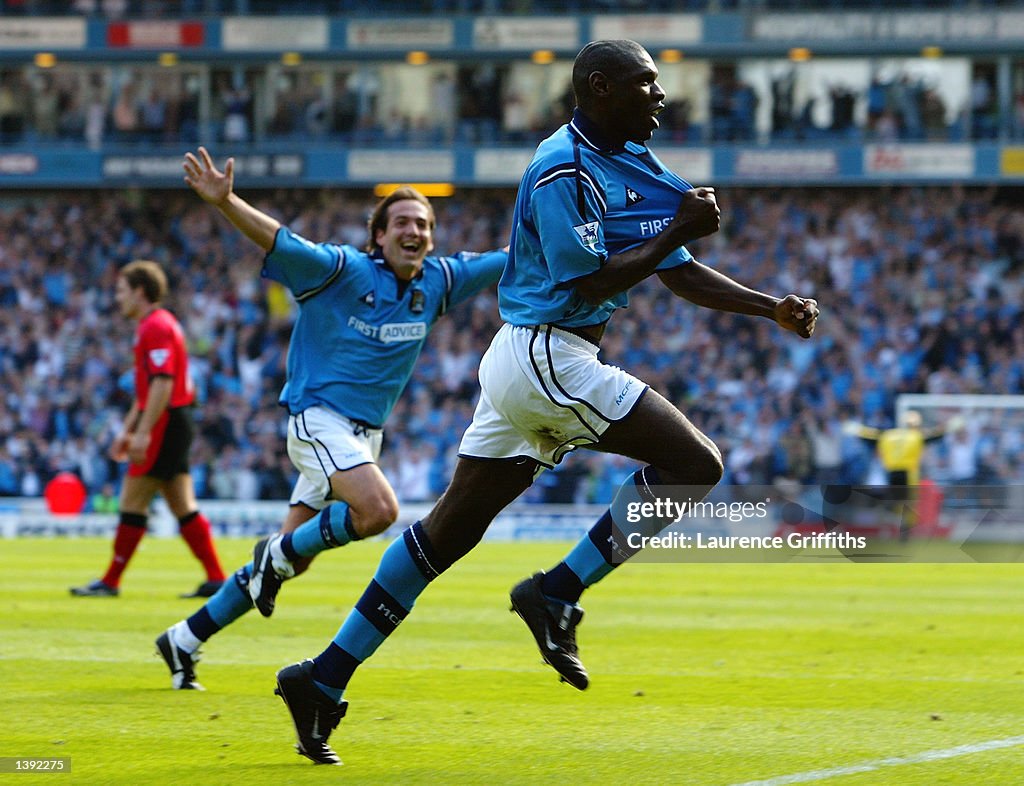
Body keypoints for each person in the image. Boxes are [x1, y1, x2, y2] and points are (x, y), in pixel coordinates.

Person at [264, 40, 819, 765]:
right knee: (693, 463)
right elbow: (586, 281)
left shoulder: (640, 164)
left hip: (531, 358)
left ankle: (321, 678)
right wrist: (678, 228)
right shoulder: (562, 166)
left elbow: (679, 274)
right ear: (599, 87)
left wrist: (768, 307)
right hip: (547, 352)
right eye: (646, 84)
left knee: (444, 536)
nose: (660, 96)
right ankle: (557, 591)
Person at [154, 147, 506, 690]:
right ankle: (277, 553)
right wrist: (227, 203)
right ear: (380, 236)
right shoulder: (340, 269)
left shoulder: (438, 282)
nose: (414, 231)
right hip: (317, 422)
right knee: (379, 511)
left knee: (286, 564)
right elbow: (278, 239)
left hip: (364, 438)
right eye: (403, 223)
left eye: (423, 224)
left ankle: (183, 638)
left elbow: (510, 259)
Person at [71, 260, 227, 599]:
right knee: (181, 502)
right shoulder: (157, 325)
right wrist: (127, 430)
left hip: (166, 420)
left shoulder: (155, 327)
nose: (117, 298)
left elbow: (162, 383)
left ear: (140, 292)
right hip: (173, 418)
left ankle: (110, 581)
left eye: (122, 290)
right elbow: (147, 391)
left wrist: (141, 433)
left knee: (132, 499)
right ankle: (216, 578)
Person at [844, 409, 961, 537]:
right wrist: (953, 425)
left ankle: (885, 529)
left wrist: (853, 428)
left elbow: (870, 436)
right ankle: (904, 532)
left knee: (891, 503)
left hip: (891, 472)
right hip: (908, 472)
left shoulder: (888, 435)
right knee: (908, 504)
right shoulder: (917, 436)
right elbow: (936, 434)